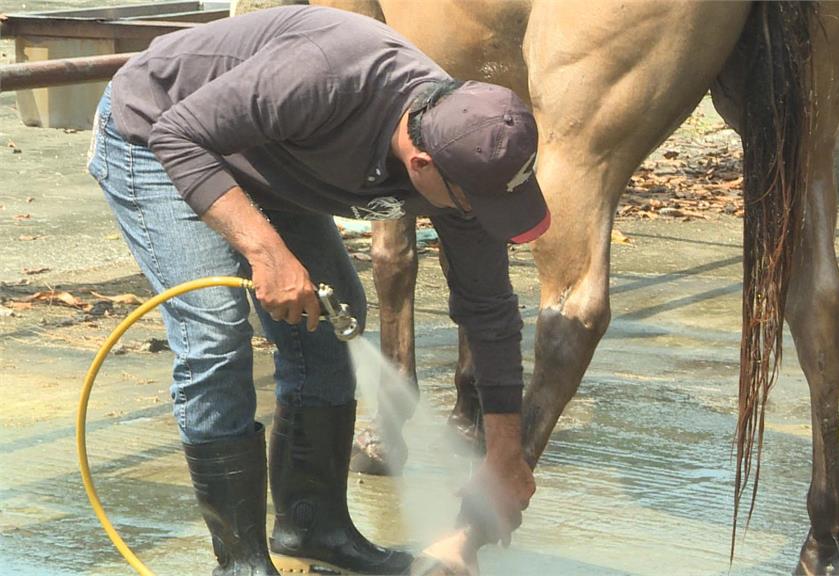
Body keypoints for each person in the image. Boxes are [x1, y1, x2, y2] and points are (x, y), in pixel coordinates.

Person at [88, 5, 546, 575]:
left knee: (334, 315)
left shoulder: (469, 160)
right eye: (479, 205)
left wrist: (504, 452)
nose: (484, 216)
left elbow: (489, 308)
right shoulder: (328, 76)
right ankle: (240, 561)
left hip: (268, 156)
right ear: (422, 165)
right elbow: (177, 134)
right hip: (156, 133)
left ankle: (313, 528)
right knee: (215, 334)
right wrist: (268, 252)